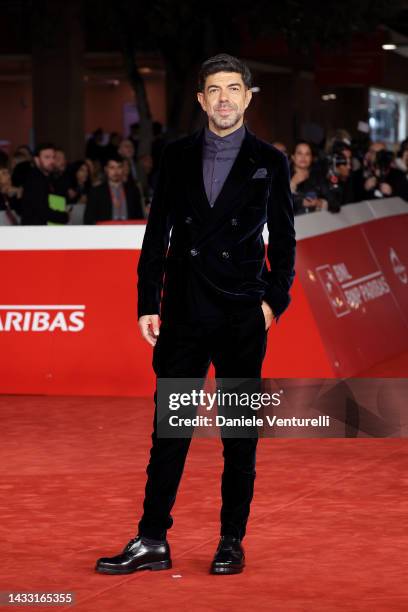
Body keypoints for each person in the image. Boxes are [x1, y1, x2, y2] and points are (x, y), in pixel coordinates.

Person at [95, 53, 296, 576]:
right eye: (215, 90)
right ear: (202, 99)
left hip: (239, 318)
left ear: (249, 96)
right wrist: (147, 302)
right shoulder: (176, 156)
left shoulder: (269, 161)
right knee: (171, 433)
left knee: (237, 435)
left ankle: (231, 540)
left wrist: (273, 302)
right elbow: (155, 233)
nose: (225, 98)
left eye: (235, 88)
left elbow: (287, 245)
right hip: (183, 315)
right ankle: (152, 539)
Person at [84, 153, 143, 223]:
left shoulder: (133, 190)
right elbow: (88, 218)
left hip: (129, 230)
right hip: (104, 231)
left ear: (123, 169)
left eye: (119, 167)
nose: (116, 171)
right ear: (106, 169)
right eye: (112, 167)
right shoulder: (96, 191)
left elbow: (139, 216)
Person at [20, 143, 69, 225]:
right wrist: (64, 216)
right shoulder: (34, 180)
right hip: (35, 232)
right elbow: (42, 210)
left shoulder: (49, 178)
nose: (52, 161)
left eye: (53, 157)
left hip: (46, 230)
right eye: (47, 157)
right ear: (37, 160)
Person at [289, 140, 331, 215]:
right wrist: (292, 183)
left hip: (316, 221)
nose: (303, 157)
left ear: (311, 158)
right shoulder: (282, 176)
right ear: (293, 157)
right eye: (299, 153)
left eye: (307, 154)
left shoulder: (318, 175)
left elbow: (333, 201)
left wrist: (319, 203)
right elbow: (277, 204)